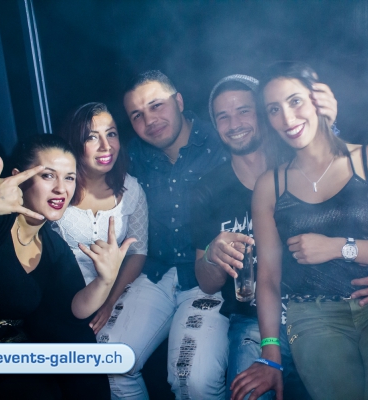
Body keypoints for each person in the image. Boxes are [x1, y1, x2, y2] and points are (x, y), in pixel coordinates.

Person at [193, 74, 368, 400]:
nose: (234, 123)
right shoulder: (209, 189)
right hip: (256, 323)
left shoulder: (302, 157)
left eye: (244, 110)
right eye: (222, 116)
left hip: (328, 309)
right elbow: (206, 282)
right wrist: (213, 254)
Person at [0, 134, 134, 398]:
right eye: (48, 175)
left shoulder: (53, 247)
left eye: (69, 178)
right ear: (19, 177)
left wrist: (106, 280)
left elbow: (73, 309)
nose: (61, 188)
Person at [118, 70, 230, 399]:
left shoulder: (220, 143)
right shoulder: (132, 155)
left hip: (209, 276)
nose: (149, 120)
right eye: (137, 115)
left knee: (192, 379)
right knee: (109, 363)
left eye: (157, 105)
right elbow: (82, 180)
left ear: (178, 101)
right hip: (152, 273)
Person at [51, 102, 148, 395]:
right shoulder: (58, 188)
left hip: (114, 296)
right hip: (62, 301)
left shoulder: (132, 190)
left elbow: (138, 252)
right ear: (75, 141)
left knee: (116, 364)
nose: (106, 146)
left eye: (112, 133)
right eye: (92, 137)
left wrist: (109, 302)